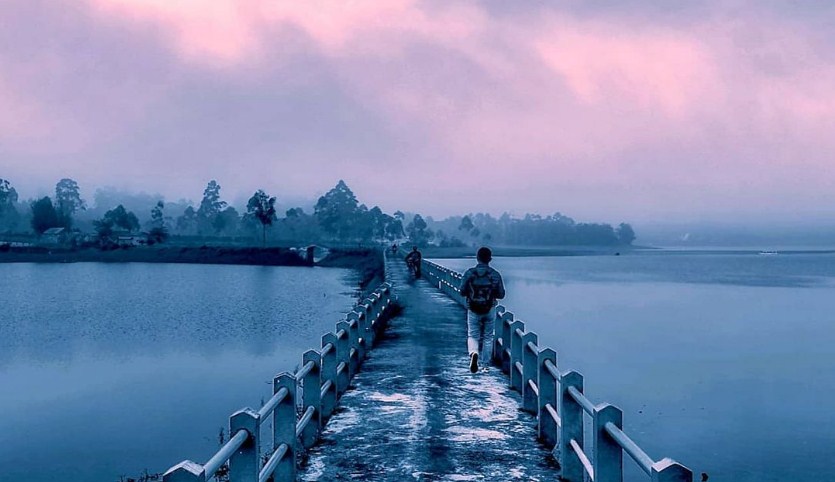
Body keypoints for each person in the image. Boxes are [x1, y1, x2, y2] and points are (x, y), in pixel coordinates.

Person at [458, 246, 505, 373]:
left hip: (472, 308)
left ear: (477, 258)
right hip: (490, 308)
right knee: (488, 337)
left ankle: (473, 353)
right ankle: (485, 366)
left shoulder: (469, 273)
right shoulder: (495, 274)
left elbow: (462, 291)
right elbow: (501, 294)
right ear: (490, 259)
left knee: (473, 335)